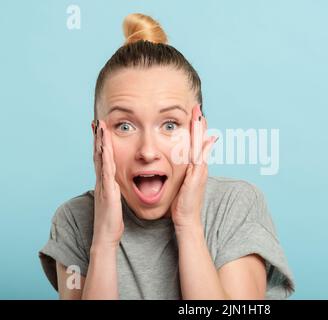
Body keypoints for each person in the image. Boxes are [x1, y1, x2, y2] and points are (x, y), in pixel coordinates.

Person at [39, 13, 295, 300]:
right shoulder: (74, 220)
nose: (148, 151)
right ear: (98, 136)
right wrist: (103, 241)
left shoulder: (235, 205)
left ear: (198, 131)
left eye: (170, 125)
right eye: (125, 126)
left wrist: (188, 225)